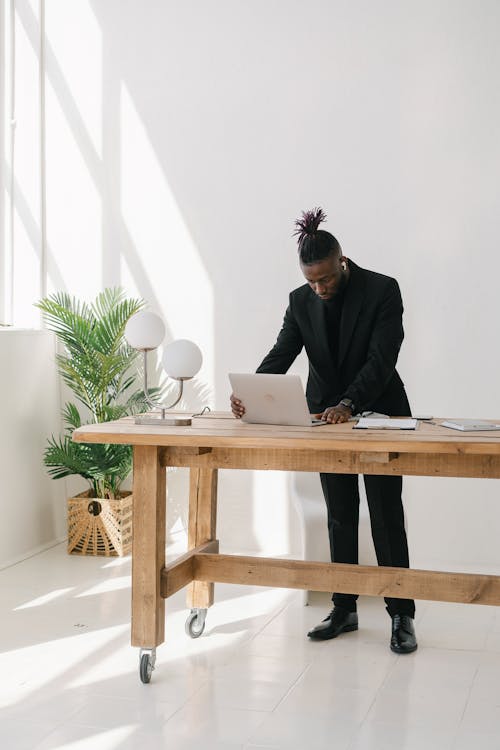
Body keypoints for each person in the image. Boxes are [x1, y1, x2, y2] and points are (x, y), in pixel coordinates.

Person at [230, 207, 417, 654]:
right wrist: (252, 393)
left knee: (386, 513)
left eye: (326, 279)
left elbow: (382, 358)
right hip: (324, 418)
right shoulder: (300, 300)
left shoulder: (382, 290)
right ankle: (344, 605)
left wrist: (349, 403)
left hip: (379, 410)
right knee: (339, 511)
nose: (320, 288)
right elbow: (282, 353)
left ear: (342, 262)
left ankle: (401, 614)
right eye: (312, 281)